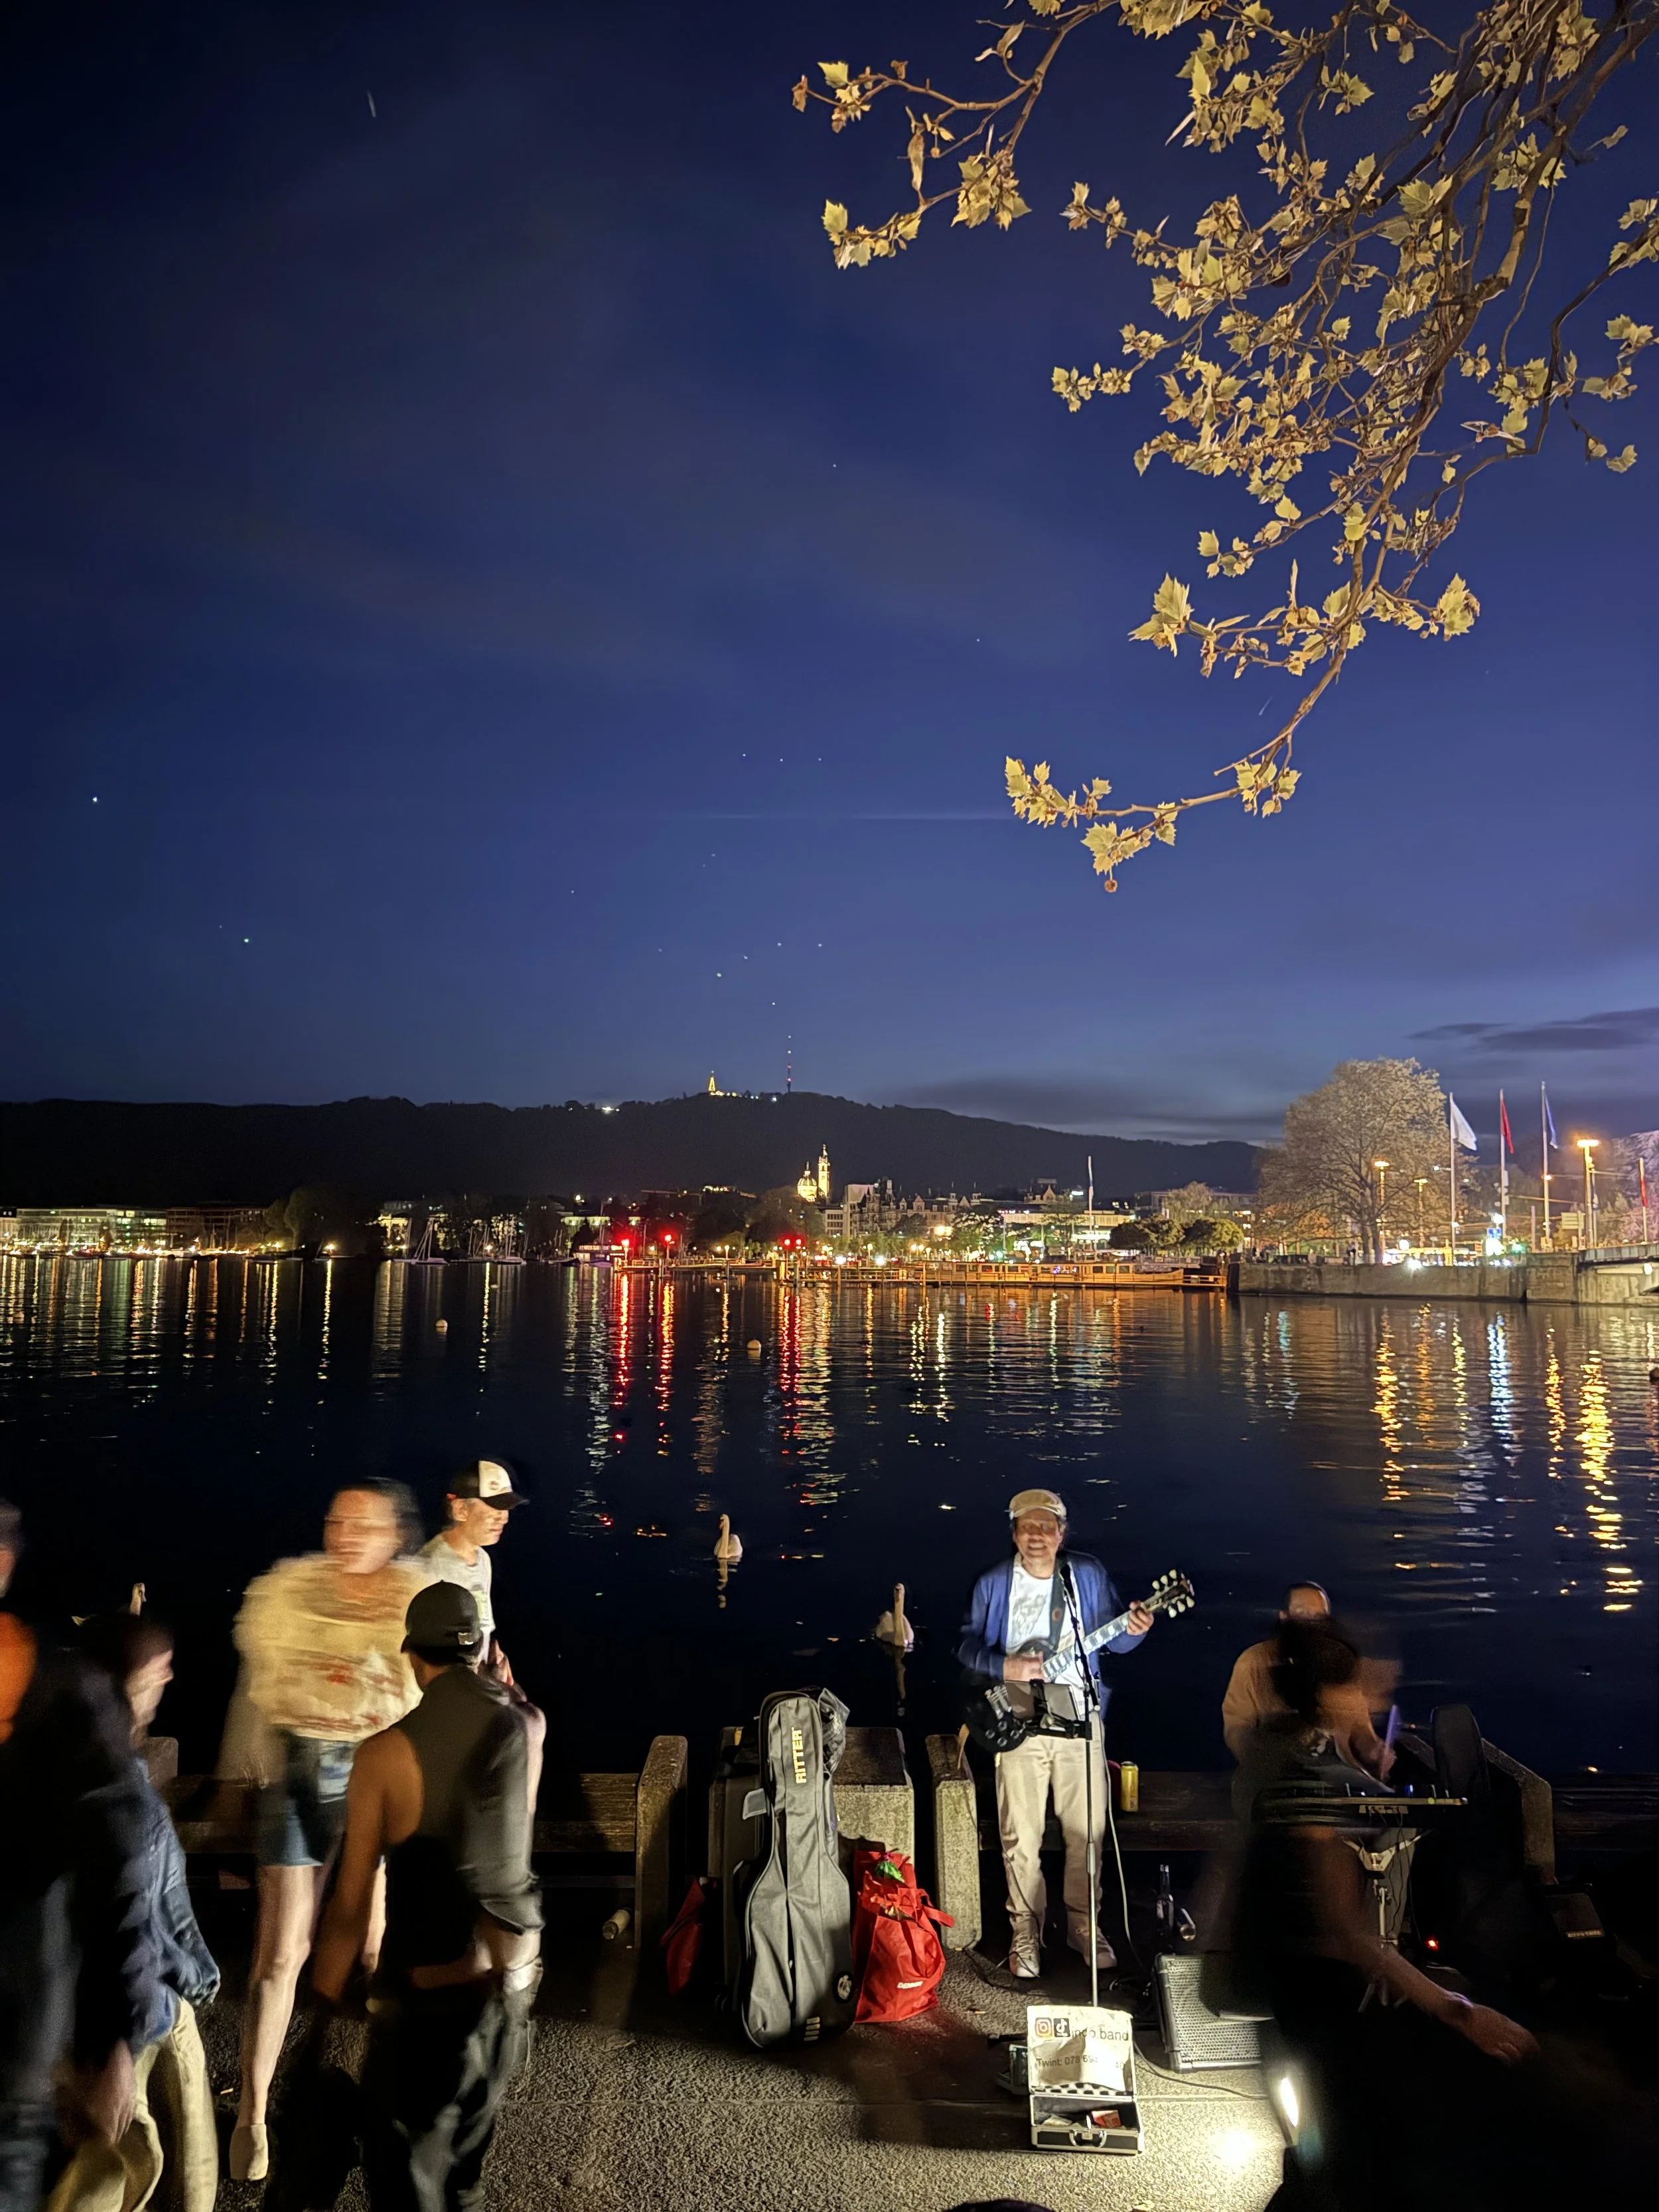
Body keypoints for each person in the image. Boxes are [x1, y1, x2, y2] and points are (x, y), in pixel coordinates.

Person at [1232, 1620, 1539, 2209]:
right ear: (1327, 1695)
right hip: (1320, 1995)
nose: (1373, 1702)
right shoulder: (1318, 1787)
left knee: (1320, 2157)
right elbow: (1351, 1932)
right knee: (1343, 2164)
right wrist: (1460, 2012)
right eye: (1360, 1690)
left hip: (1290, 1985)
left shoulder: (1285, 1747)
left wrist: (1363, 1753)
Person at [313, 1583, 541, 2212]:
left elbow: (351, 1904)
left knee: (404, 2186)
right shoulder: (526, 1725)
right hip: (507, 1988)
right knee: (464, 2179)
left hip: (425, 2002)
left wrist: (326, 1998)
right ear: (481, 1648)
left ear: (412, 1653)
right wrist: (509, 1686)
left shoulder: (385, 1754)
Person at [228, 1483, 427, 2182]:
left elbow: (439, 1695)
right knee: (280, 1952)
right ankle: (252, 2115)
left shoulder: (413, 1598)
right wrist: (234, 1774)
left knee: (371, 1950)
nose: (346, 1533)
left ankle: (375, 2108)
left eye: (364, 1524)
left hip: (373, 1778)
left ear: (395, 1534)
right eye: (338, 1520)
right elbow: (255, 1687)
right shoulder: (289, 1592)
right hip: (298, 1772)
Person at [0, 1501, 153, 2212]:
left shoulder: (61, 1692)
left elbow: (115, 1873)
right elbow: (118, 1871)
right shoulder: (65, 1690)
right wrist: (110, 2040)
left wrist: (108, 2041)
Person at [49, 1612, 219, 2212]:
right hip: (126, 2015)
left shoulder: (47, 1757)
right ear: (133, 1681)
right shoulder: (121, 1794)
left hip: (72, 2012)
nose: (168, 1680)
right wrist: (118, 2050)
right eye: (159, 1673)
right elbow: (129, 1923)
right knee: (131, 2160)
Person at [957, 1487, 1153, 1979]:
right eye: (1027, 1526)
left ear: (1062, 1533)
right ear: (1014, 1533)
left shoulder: (1085, 1574)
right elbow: (964, 1647)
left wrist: (1137, 1627)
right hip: (1017, 1721)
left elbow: (1121, 1641)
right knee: (1018, 1835)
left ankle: (1084, 1925)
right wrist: (1006, 1663)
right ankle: (1026, 1926)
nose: (1037, 1535)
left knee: (1087, 1832)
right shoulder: (992, 1582)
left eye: (1047, 1526)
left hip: (1081, 1722)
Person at [1222, 1582, 1390, 1775]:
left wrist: (1374, 1750)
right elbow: (1238, 1727)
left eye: (1319, 1617)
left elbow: (1359, 1727)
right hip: (1274, 1776)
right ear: (1284, 1617)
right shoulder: (1253, 1662)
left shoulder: (1340, 1662)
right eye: (1302, 1614)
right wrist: (1262, 1761)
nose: (1311, 1624)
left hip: (1339, 1776)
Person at [418, 1461, 528, 1671]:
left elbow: (483, 1626)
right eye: (495, 1507)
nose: (503, 1517)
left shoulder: (483, 1559)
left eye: (506, 1508)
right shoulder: (429, 1568)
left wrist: (491, 1658)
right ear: (460, 1509)